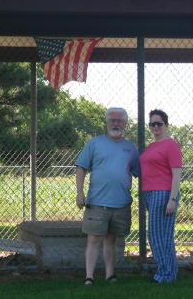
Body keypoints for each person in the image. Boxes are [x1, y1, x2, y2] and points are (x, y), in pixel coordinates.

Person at [75, 107, 140, 285]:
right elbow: (81, 168)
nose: (116, 123)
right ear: (107, 122)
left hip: (121, 203)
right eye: (112, 120)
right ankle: (89, 276)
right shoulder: (94, 143)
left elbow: (139, 172)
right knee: (94, 239)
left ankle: (110, 275)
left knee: (111, 239)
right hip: (97, 202)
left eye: (120, 121)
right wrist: (80, 193)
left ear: (125, 124)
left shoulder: (130, 148)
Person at [139, 109, 182, 283]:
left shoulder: (171, 145)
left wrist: (172, 199)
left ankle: (166, 274)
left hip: (163, 194)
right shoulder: (151, 146)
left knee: (158, 235)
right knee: (160, 234)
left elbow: (177, 174)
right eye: (152, 124)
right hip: (149, 194)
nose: (155, 126)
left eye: (159, 123)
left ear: (166, 125)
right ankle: (169, 273)